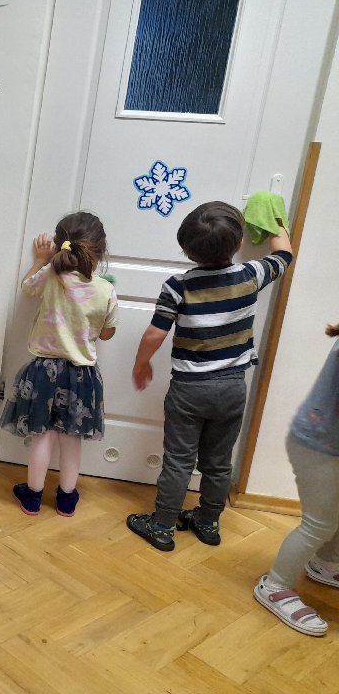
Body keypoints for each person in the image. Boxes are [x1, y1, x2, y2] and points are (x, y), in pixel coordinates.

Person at [127, 201, 292, 551]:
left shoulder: (178, 286)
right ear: (238, 243)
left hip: (188, 390)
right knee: (218, 462)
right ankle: (207, 521)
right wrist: (272, 213)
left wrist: (141, 363)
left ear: (187, 248)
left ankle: (162, 526)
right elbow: (285, 254)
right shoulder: (251, 275)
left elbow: (155, 333)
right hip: (232, 388)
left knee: (178, 461)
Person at [0, 212, 118, 517]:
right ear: (101, 251)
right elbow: (107, 333)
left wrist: (41, 259)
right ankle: (66, 499)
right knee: (71, 438)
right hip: (83, 376)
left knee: (43, 435)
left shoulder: (51, 274)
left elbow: (27, 288)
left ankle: (33, 497)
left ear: (59, 244)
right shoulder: (105, 289)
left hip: (44, 372)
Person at [254, 323, 339, 637]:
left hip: (324, 442)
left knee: (332, 516)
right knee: (319, 524)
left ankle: (326, 564)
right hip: (320, 448)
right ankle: (275, 586)